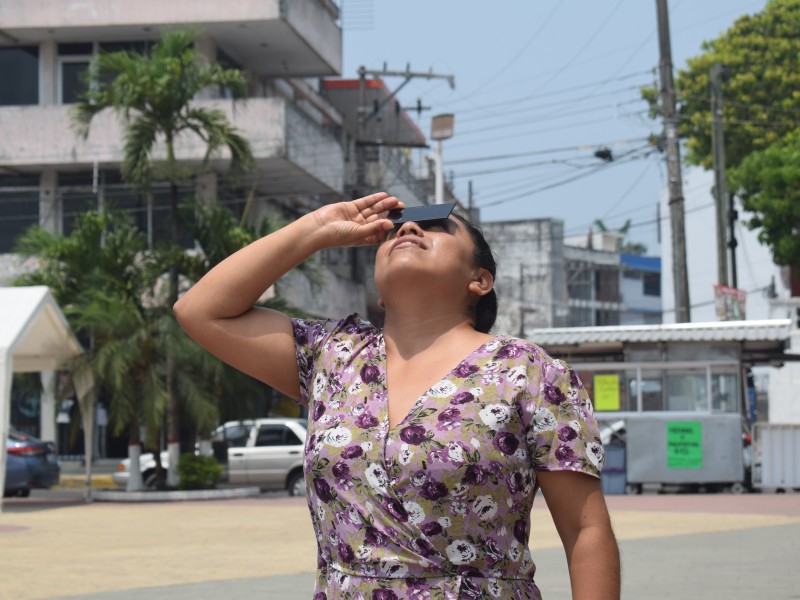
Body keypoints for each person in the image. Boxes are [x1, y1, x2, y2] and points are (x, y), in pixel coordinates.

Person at [174, 192, 620, 600]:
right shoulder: (332, 354)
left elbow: (585, 529)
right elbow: (200, 310)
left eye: (437, 226)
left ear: (480, 279)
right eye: (395, 228)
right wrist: (315, 229)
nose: (408, 229)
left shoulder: (528, 370)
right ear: (379, 294)